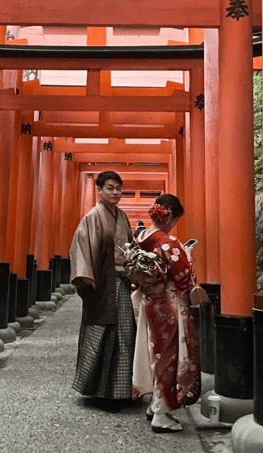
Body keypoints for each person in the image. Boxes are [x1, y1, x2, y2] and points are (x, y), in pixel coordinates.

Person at [131, 194, 201, 433]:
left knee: (156, 353)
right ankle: (161, 413)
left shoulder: (142, 238)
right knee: (169, 356)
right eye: (175, 219)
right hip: (169, 304)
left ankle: (154, 405)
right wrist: (188, 256)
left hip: (150, 301)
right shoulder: (167, 241)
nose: (174, 225)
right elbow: (183, 276)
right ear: (169, 215)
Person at [69, 171, 136, 412]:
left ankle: (120, 391)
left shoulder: (122, 216)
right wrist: (88, 282)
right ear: (99, 189)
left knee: (125, 333)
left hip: (121, 282)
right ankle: (99, 391)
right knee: (101, 333)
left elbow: (131, 247)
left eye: (119, 188)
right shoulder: (93, 217)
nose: (115, 193)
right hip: (102, 285)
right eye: (110, 188)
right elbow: (81, 249)